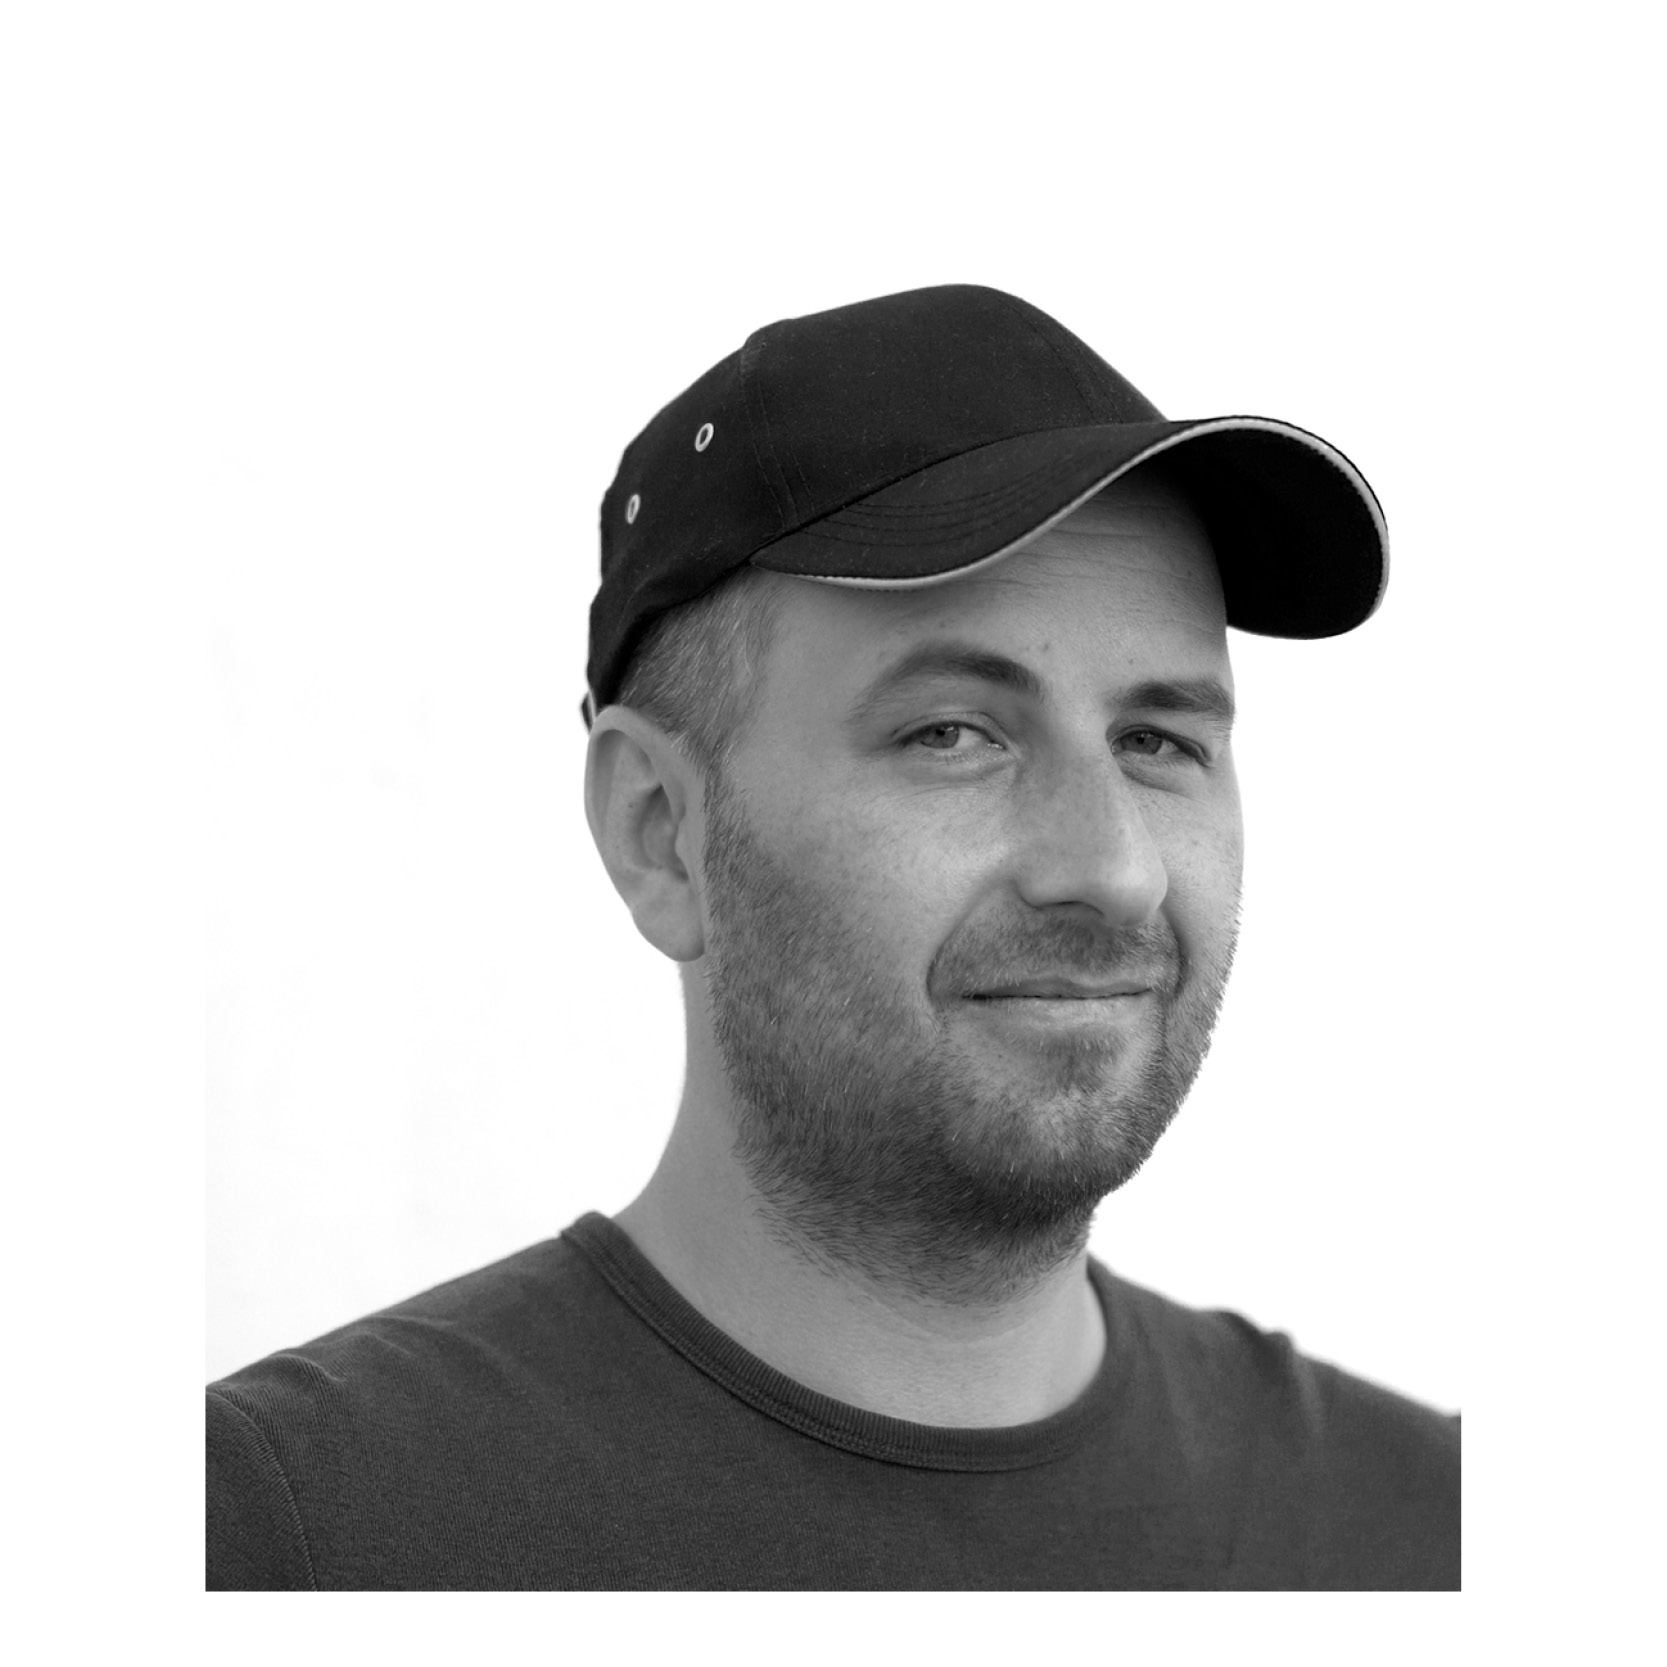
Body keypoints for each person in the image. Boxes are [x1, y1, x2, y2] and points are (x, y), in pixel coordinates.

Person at [206, 283, 1459, 1590]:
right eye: (951, 734)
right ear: (659, 831)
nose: (1114, 871)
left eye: (1158, 741)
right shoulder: (273, 1541)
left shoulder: (1435, 1533)